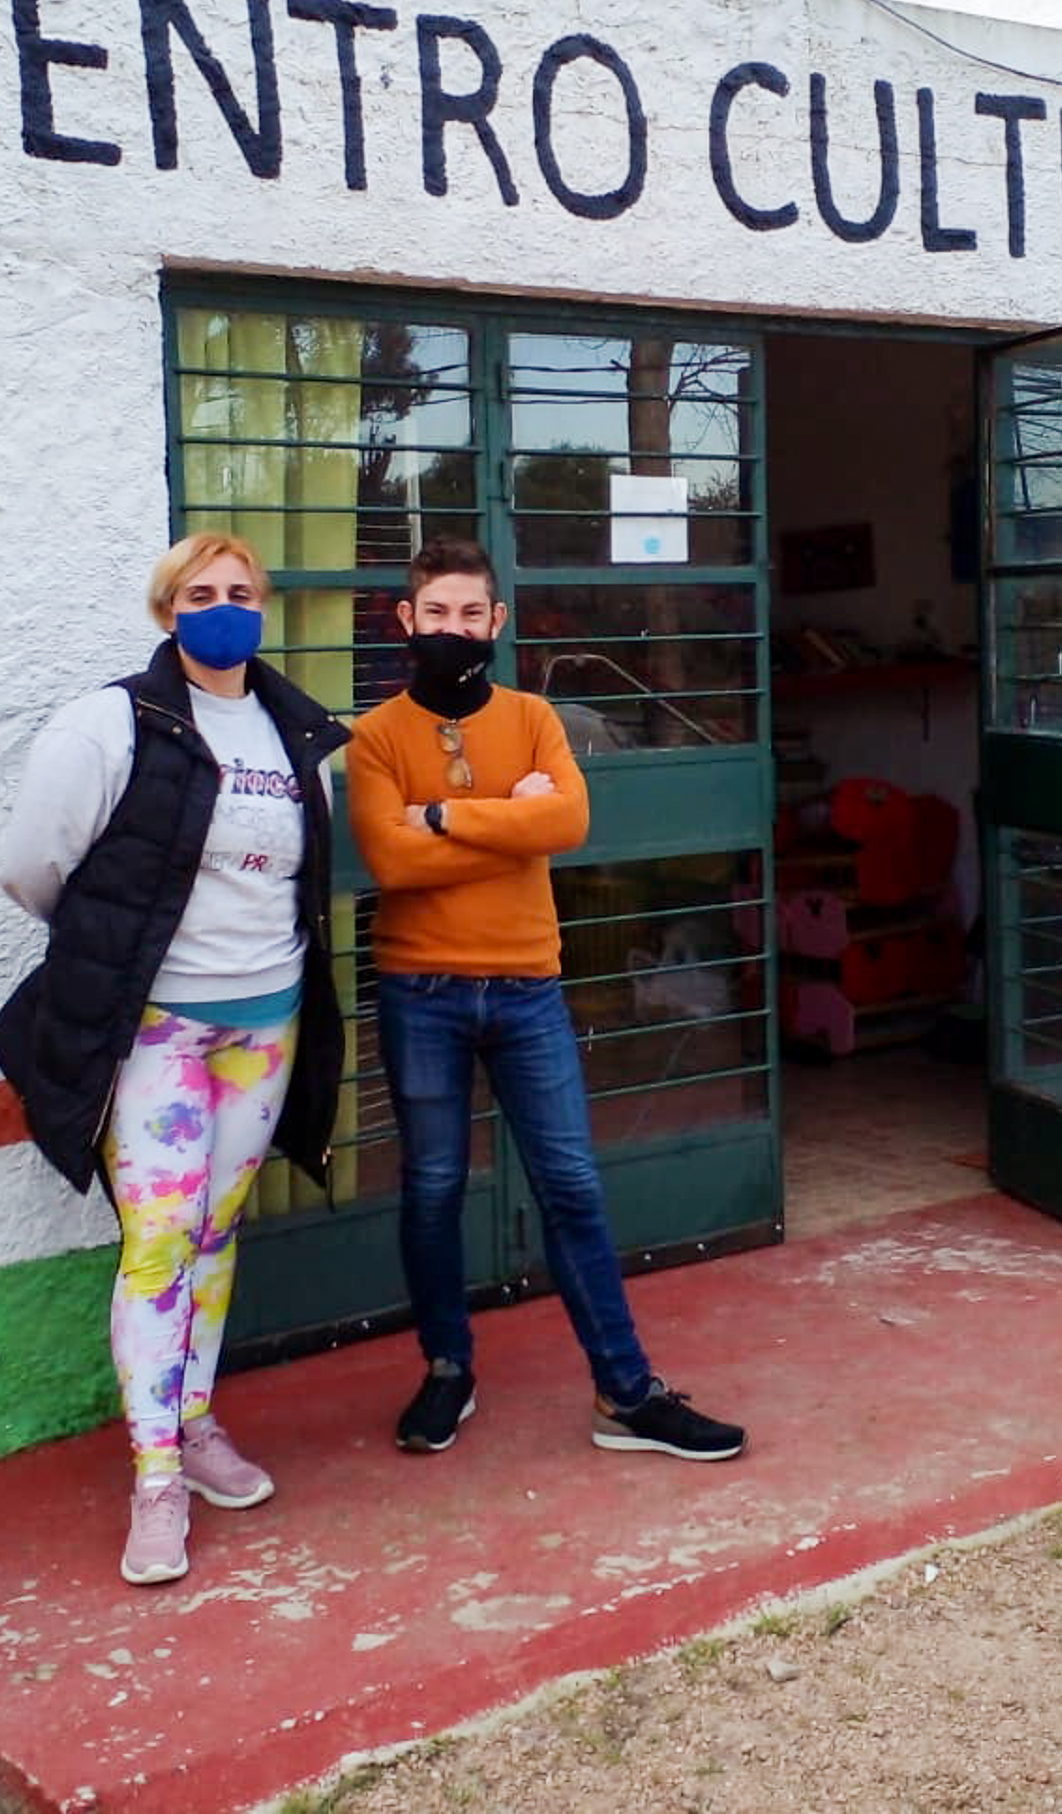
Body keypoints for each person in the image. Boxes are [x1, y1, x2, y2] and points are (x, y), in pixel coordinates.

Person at [0, 532, 350, 1585]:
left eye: (243, 592)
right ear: (167, 610)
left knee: (217, 1230)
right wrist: (119, 951)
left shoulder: (292, 729)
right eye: (203, 593)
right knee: (158, 1242)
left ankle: (195, 1428)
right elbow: (31, 866)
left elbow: (296, 877)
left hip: (265, 1024)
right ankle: (153, 1481)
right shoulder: (116, 720)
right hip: (157, 1031)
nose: (225, 607)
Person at [345, 537, 746, 1464]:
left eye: (469, 614)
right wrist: (508, 820)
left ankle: (627, 1390)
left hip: (528, 989)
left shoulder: (535, 719)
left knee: (570, 1186)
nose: (453, 629)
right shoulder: (374, 738)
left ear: (497, 622)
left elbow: (566, 821)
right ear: (407, 622)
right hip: (421, 992)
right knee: (434, 1190)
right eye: (434, 614)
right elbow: (391, 860)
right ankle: (448, 1369)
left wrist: (443, 813)